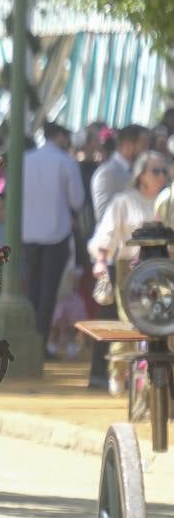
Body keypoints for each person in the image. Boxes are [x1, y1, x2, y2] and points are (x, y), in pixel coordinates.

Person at [90, 151, 168, 391]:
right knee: (133, 323)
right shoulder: (124, 200)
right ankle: (119, 373)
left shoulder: (168, 201)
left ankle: (155, 383)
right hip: (132, 272)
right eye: (156, 171)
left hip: (165, 273)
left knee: (163, 327)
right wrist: (101, 262)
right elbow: (107, 234)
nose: (162, 175)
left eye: (165, 170)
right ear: (141, 174)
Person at [87, 124, 149, 386]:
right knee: (112, 319)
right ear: (128, 145)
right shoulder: (107, 173)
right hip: (117, 258)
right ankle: (102, 374)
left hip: (141, 261)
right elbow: (105, 215)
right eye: (144, 142)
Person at [21, 122, 86, 356]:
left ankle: (30, 339)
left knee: (32, 288)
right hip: (57, 232)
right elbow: (77, 200)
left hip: (28, 232)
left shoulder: (26, 159)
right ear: (59, 136)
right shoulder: (65, 161)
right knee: (49, 291)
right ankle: (40, 342)